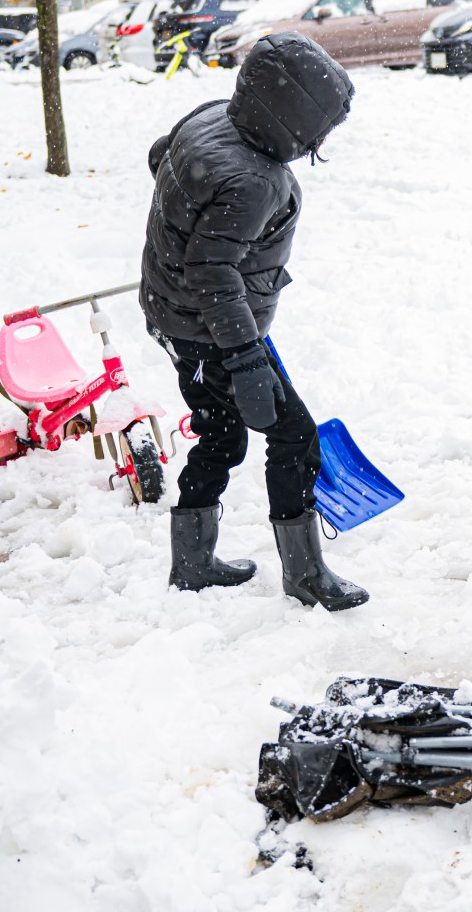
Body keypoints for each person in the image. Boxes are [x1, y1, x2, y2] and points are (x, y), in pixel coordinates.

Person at [139, 33, 369, 611]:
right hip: (213, 327)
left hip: (174, 314)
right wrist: (244, 360)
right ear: (292, 121)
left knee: (221, 430)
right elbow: (212, 273)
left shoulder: (213, 117)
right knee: (293, 434)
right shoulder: (256, 180)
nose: (321, 142)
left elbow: (159, 155)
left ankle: (192, 562)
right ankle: (306, 574)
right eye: (320, 130)